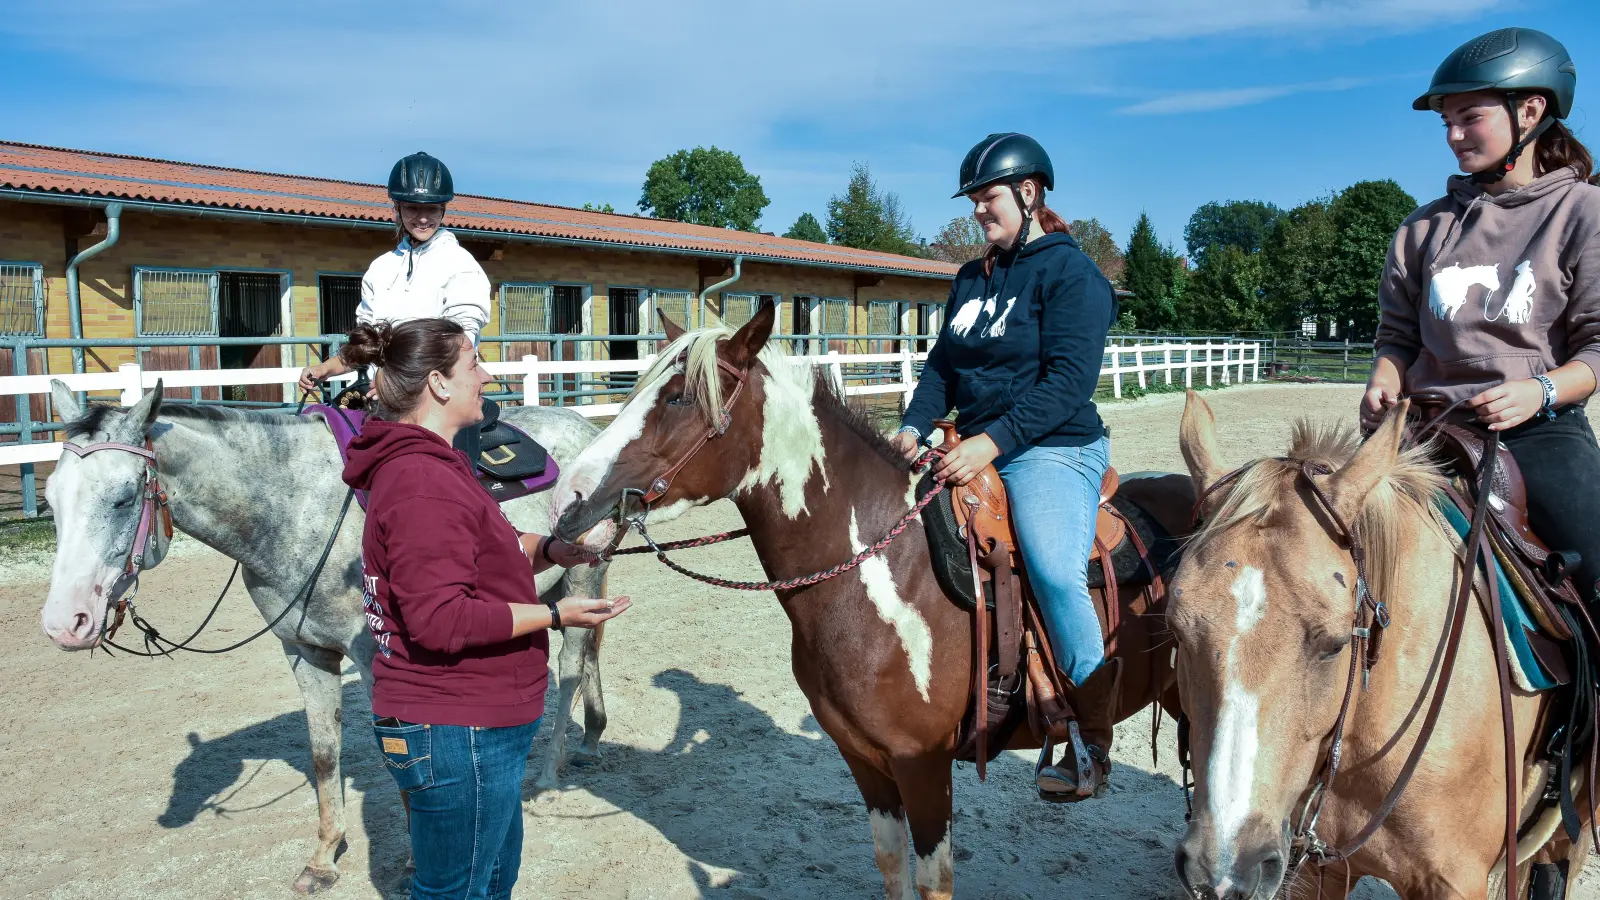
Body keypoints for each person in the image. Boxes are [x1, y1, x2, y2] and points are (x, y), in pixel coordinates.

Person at [340, 317, 630, 900]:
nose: (488, 376)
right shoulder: (422, 481)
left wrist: (552, 549)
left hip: (472, 724)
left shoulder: (439, 465)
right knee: (457, 891)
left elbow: (486, 548)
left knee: (491, 878)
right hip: (457, 727)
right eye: (474, 365)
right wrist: (555, 616)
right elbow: (442, 619)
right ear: (440, 385)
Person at [890, 132, 1119, 801]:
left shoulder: (1074, 276)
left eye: (988, 198)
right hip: (971, 443)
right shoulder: (970, 277)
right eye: (974, 202)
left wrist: (991, 444)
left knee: (1051, 565)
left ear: (1030, 192)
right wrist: (911, 424)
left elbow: (1069, 382)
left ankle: (1094, 737)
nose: (979, 212)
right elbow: (942, 368)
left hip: (1053, 445)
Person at [1365, 27, 1600, 604]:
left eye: (1469, 117)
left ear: (1531, 111)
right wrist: (1383, 377)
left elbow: (1597, 348)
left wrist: (1539, 391)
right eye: (1445, 121)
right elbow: (1397, 336)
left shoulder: (1584, 212)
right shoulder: (1422, 229)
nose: (1452, 135)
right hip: (1421, 432)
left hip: (1536, 432)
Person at [300, 151, 495, 462]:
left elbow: (460, 344)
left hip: (439, 407)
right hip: (386, 404)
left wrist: (394, 381)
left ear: (443, 209)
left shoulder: (460, 264)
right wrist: (325, 369)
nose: (422, 217)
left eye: (430, 208)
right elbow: (368, 342)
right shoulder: (380, 268)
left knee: (446, 493)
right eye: (412, 207)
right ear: (397, 207)